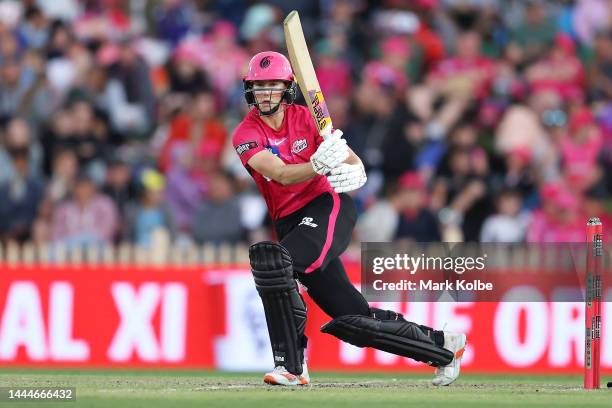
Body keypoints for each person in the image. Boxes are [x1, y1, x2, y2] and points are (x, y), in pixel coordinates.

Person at [232, 51, 466, 387]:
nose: (266, 92)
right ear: (249, 90)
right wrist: (317, 165)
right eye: (259, 85)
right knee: (355, 320)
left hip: (327, 207)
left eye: (273, 85)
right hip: (290, 221)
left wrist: (354, 170)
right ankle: (444, 346)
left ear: (287, 88)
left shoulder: (308, 118)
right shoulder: (245, 134)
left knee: (275, 262)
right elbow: (280, 174)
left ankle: (292, 366)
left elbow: (350, 160)